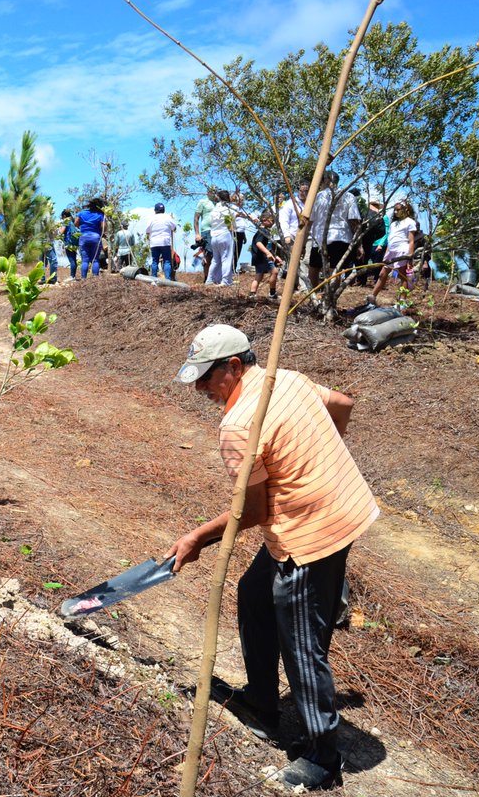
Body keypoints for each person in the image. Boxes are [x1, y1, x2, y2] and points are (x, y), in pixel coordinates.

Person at [166, 324, 377, 791]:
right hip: (347, 505)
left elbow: (255, 511)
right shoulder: (288, 378)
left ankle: (323, 757)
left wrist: (198, 538)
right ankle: (262, 704)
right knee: (255, 595)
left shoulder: (240, 424)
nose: (200, 389)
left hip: (310, 533)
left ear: (235, 366)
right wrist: (323, 460)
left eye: (205, 378)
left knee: (302, 642)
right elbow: (342, 403)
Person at [308, 173, 360, 292]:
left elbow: (309, 221)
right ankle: (330, 299)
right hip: (341, 237)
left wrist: (302, 243)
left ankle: (314, 296)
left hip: (320, 239)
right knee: (335, 270)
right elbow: (354, 221)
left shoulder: (317, 197)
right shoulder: (348, 196)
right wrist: (359, 244)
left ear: (325, 181)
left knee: (314, 268)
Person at [369, 200, 418, 305]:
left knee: (402, 275)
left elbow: (411, 241)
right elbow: (390, 239)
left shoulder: (410, 222)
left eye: (398, 210)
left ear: (406, 210)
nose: (396, 212)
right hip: (391, 251)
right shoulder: (393, 224)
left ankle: (402, 301)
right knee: (383, 273)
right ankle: (372, 296)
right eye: (394, 210)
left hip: (402, 251)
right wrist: (387, 253)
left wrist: (410, 257)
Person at [277, 183, 310, 294]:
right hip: (292, 236)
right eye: (300, 190)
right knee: (294, 262)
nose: (302, 193)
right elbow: (284, 219)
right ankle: (295, 286)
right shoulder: (291, 204)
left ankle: (304, 287)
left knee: (305, 261)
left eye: (305, 190)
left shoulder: (311, 204)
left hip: (308, 236)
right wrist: (286, 235)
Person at [247, 211, 282, 299]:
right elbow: (259, 243)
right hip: (262, 257)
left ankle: (252, 293)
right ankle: (272, 293)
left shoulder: (264, 231)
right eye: (271, 221)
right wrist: (267, 253)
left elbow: (268, 246)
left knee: (259, 274)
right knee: (274, 272)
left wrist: (275, 256)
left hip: (257, 257)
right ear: (264, 220)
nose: (273, 223)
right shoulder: (262, 231)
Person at [207, 190, 237, 286]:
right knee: (226, 259)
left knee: (215, 260)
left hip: (214, 236)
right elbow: (234, 219)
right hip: (224, 234)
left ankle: (210, 280)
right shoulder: (229, 208)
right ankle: (226, 281)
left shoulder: (214, 210)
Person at [75, 197, 107, 279]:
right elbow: (104, 228)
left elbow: (76, 223)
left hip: (84, 237)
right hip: (96, 238)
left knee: (85, 260)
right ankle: (95, 279)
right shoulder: (100, 214)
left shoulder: (82, 213)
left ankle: (83, 279)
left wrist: (82, 228)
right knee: (95, 260)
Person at [146, 203, 177, 280]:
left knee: (155, 261)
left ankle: (153, 279)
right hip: (165, 242)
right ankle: (168, 279)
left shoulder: (151, 219)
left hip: (154, 242)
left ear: (155, 210)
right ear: (164, 210)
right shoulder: (168, 217)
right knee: (167, 261)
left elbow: (147, 231)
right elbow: (174, 227)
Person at [194, 187, 217, 278]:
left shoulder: (218, 203)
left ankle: (215, 277)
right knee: (208, 254)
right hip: (206, 231)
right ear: (208, 192)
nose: (214, 193)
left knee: (217, 255)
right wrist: (197, 233)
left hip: (217, 231)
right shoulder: (202, 202)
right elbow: (196, 218)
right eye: (212, 191)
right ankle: (207, 277)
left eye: (215, 191)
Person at [59, 209, 79, 281]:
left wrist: (59, 227)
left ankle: (72, 276)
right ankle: (73, 276)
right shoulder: (72, 221)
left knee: (71, 260)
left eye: (62, 217)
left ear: (64, 215)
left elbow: (61, 232)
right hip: (74, 243)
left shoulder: (66, 221)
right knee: (74, 259)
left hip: (69, 243)